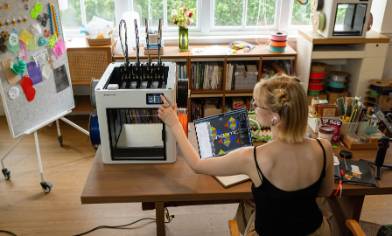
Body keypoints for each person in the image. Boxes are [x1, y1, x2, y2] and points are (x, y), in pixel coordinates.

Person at [158, 74, 334, 236]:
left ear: (274, 117)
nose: (253, 107)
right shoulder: (324, 147)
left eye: (256, 104)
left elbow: (197, 165)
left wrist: (174, 123)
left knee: (248, 207)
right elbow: (326, 191)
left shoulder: (254, 157)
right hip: (316, 230)